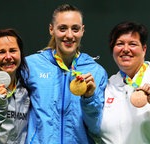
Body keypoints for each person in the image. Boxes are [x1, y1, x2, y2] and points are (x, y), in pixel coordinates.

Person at [23, 4, 108, 144]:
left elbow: (96, 128)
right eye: (63, 28)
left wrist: (89, 99)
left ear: (82, 30)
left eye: (75, 29)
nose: (69, 35)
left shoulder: (96, 72)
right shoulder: (31, 66)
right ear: (51, 29)